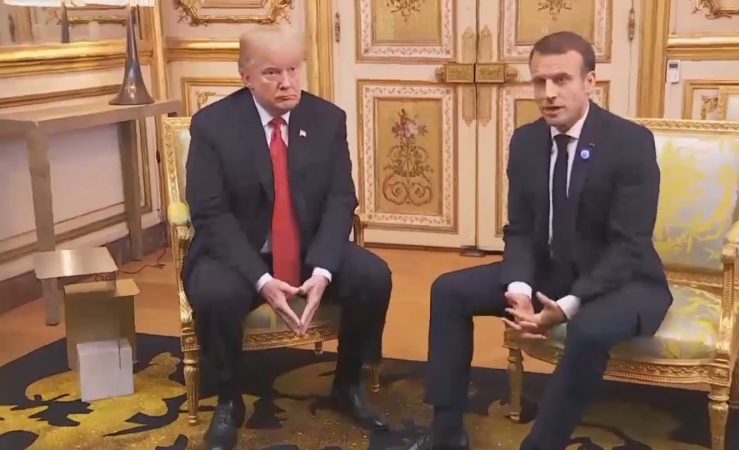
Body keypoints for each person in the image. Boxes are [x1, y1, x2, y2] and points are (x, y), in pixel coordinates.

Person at [406, 31, 672, 450]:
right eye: (539, 82)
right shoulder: (527, 141)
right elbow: (520, 229)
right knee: (449, 291)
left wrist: (566, 306)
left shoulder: (630, 143)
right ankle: (446, 431)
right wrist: (518, 288)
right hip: (552, 271)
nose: (548, 94)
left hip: (623, 280)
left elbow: (630, 244)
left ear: (590, 82)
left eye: (561, 80)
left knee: (588, 329)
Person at [182, 26, 392, 450]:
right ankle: (228, 400)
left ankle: (347, 383)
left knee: (373, 276)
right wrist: (260, 280)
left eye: (294, 70)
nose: (287, 83)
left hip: (310, 248)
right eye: (272, 73)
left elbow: (341, 198)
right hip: (241, 252)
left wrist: (324, 269)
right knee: (215, 293)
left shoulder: (327, 119)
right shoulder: (212, 125)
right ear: (246, 76)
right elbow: (210, 213)